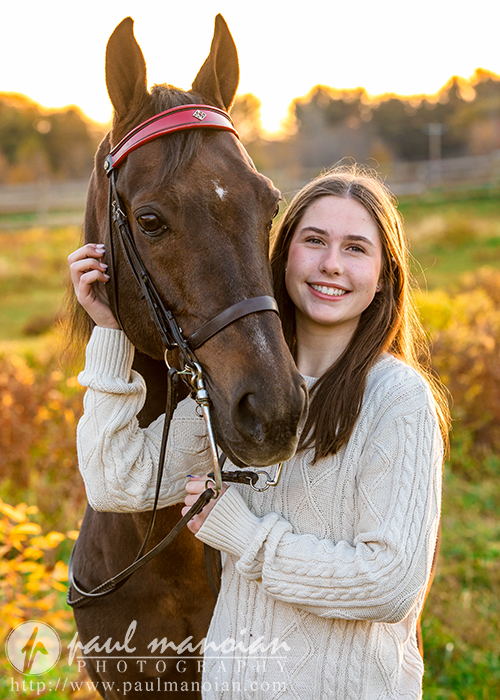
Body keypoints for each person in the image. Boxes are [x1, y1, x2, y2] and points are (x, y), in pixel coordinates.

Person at [69, 164, 449, 699]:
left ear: (385, 273)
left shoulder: (398, 399)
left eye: (356, 248)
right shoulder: (246, 397)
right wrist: (109, 333)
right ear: (281, 254)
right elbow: (116, 483)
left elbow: (389, 583)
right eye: (313, 241)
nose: (331, 265)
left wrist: (244, 537)